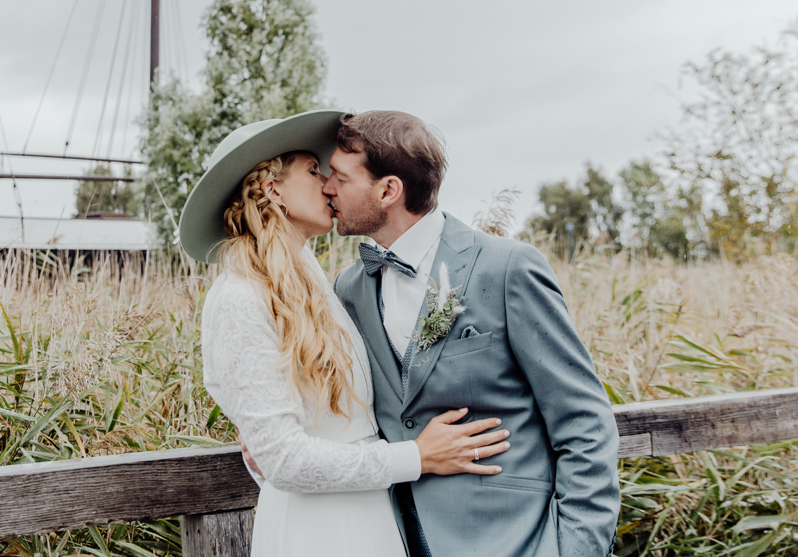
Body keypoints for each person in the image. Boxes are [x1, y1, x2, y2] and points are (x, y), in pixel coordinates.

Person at [178, 110, 510, 557]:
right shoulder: (239, 296)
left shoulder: (312, 279)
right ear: (272, 189)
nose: (328, 184)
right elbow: (284, 460)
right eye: (313, 171)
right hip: (318, 531)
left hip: (368, 514)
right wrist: (417, 456)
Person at [322, 110, 620, 557]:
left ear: (388, 190)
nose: (327, 188)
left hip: (515, 540)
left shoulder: (507, 268)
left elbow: (584, 422)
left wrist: (575, 549)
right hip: (396, 539)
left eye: (340, 178)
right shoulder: (349, 287)